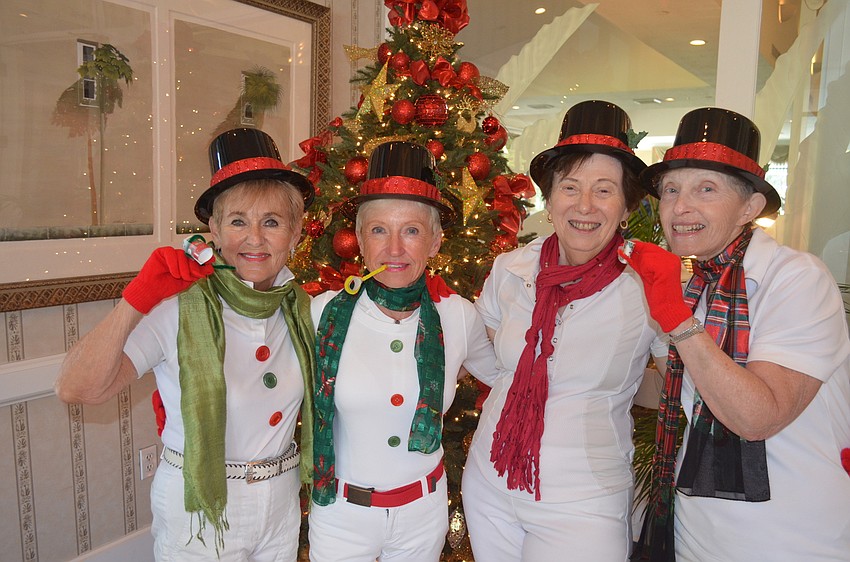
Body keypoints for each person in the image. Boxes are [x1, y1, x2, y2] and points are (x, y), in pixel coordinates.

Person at [55, 128, 317, 561]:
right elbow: (78, 389)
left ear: (296, 233)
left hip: (283, 503)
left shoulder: (305, 309)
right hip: (199, 507)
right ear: (213, 229)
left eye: (271, 221)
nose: (254, 238)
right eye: (237, 221)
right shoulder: (178, 306)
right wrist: (137, 299)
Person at [623, 107, 850, 561]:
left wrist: (675, 319)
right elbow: (683, 391)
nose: (680, 207)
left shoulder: (796, 279)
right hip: (694, 532)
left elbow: (756, 417)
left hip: (791, 536)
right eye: (671, 190)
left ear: (751, 206)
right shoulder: (693, 287)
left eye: (706, 188)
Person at [462, 100, 658, 561]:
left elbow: (681, 384)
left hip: (584, 500)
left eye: (604, 190)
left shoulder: (648, 285)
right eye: (570, 187)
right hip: (491, 482)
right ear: (548, 201)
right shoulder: (511, 268)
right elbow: (490, 356)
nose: (584, 205)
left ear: (627, 206)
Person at [307, 140, 498, 562]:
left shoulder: (458, 316)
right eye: (379, 230)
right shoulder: (321, 315)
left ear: (435, 242)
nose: (394, 249)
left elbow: (506, 378)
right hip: (341, 517)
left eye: (411, 230)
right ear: (358, 239)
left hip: (422, 516)